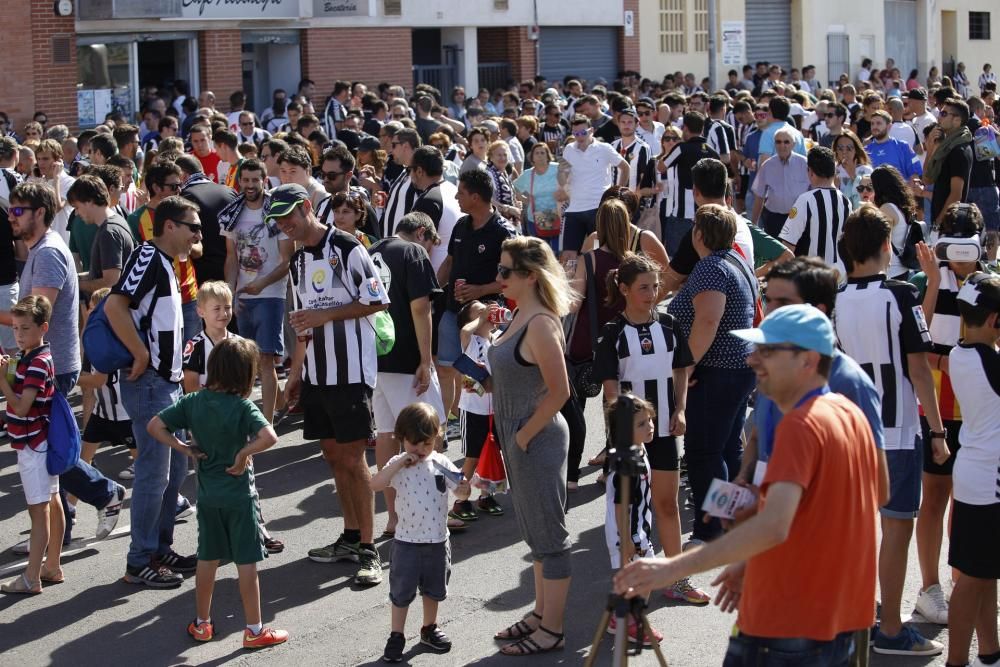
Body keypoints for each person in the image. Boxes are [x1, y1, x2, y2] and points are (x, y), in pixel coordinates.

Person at [614, 305, 880, 667]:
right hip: (832, 617)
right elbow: (824, 515)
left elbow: (774, 526)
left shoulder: (801, 426)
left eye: (767, 351)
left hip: (790, 620)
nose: (753, 359)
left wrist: (670, 569)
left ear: (808, 361)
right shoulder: (847, 413)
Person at [835, 204, 947, 656]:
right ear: (885, 246)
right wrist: (937, 433)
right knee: (896, 529)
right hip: (897, 431)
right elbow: (919, 369)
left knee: (860, 530)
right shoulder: (898, 295)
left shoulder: (838, 297)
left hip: (853, 430)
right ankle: (892, 629)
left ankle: (859, 616)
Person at [270, 184, 390, 586]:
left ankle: (370, 549)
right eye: (279, 220)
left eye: (290, 215)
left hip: (352, 371)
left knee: (354, 460)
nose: (286, 224)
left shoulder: (348, 246)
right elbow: (304, 320)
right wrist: (296, 372)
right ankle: (351, 536)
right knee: (333, 456)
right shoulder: (299, 260)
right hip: (318, 374)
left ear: (307, 207)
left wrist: (327, 317)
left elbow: (377, 300)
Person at [3, 183, 125, 548]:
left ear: (40, 212)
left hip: (52, 366)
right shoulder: (40, 250)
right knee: (48, 450)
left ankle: (104, 494)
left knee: (48, 451)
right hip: (47, 362)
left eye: (18, 210)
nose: (11, 217)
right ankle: (58, 533)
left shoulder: (49, 254)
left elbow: (36, 314)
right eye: (11, 210)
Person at [147, 336, 288, 649]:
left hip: (208, 498)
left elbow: (155, 426)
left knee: (207, 560)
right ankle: (254, 630)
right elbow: (270, 437)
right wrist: (243, 454)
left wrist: (183, 447)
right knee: (246, 565)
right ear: (244, 375)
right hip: (240, 498)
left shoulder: (193, 402)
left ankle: (202, 623)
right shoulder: (242, 406)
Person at [594, 253, 711, 607]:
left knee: (667, 505)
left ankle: (677, 578)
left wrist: (680, 409)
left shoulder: (671, 324)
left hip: (663, 434)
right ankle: (630, 590)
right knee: (629, 515)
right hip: (631, 441)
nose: (652, 292)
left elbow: (681, 370)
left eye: (656, 286)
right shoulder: (613, 332)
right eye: (644, 287)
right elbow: (611, 390)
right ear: (625, 289)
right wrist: (625, 433)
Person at [106, 195, 203, 589]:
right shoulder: (148, 257)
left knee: (175, 467)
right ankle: (140, 559)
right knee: (153, 472)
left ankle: (160, 548)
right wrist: (140, 352)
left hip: (168, 382)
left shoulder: (168, 261)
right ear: (169, 226)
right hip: (150, 383)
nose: (199, 233)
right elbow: (115, 306)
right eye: (192, 226)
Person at [489, 236, 572, 656]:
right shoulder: (521, 314)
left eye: (506, 271)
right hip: (518, 434)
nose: (498, 277)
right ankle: (541, 614)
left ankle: (552, 629)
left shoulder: (540, 322)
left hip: (535, 437)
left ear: (530, 276)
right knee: (534, 533)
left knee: (550, 537)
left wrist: (522, 435)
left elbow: (560, 391)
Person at [907, 202, 984, 627]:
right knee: (934, 499)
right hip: (935, 408)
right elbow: (918, 337)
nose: (959, 255)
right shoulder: (925, 279)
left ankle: (963, 582)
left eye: (966, 246)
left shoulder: (990, 283)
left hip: (977, 408)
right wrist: (935, 281)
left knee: (967, 499)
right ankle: (929, 587)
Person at [667, 204, 756, 545]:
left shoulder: (711, 268)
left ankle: (710, 529)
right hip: (736, 370)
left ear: (699, 235)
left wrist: (687, 365)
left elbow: (708, 320)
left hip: (718, 371)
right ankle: (736, 518)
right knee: (727, 449)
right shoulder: (736, 262)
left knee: (705, 452)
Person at [370, 402, 470, 662]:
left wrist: (465, 486)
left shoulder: (441, 463)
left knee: (434, 589)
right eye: (415, 444)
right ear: (402, 439)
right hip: (406, 543)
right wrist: (401, 461)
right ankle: (396, 634)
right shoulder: (397, 464)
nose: (422, 450)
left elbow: (460, 492)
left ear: (436, 437)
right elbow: (376, 484)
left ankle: (429, 627)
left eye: (427, 443)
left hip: (437, 540)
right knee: (402, 592)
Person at [367, 212, 447, 535]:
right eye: (430, 244)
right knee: (431, 429)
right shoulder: (412, 251)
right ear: (421, 233)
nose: (429, 251)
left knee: (386, 434)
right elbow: (420, 307)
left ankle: (394, 517)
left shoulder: (370, 250)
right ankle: (434, 511)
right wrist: (426, 360)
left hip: (375, 359)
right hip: (406, 360)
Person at [944, 272, 1000, 667]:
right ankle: (956, 661)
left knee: (983, 573)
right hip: (989, 482)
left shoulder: (960, 353)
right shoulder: (991, 362)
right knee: (974, 579)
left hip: (973, 475)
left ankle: (990, 650)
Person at [436, 170, 516, 439]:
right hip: (451, 310)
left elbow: (513, 278)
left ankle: (487, 427)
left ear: (476, 197)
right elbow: (448, 263)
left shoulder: (503, 232)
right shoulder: (460, 225)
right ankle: (447, 425)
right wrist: (432, 290)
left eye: (460, 192)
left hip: (487, 317)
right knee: (447, 369)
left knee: (480, 373)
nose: (456, 197)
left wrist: (480, 290)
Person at [0, 295, 64, 594]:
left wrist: (1, 380)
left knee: (38, 512)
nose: (19, 334)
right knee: (52, 502)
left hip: (33, 444)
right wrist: (9, 370)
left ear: (43, 327)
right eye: (15, 328)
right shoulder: (32, 356)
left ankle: (31, 577)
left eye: (25, 328)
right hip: (40, 442)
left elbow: (22, 407)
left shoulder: (37, 361)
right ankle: (51, 566)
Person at [219, 158, 291, 422]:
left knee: (266, 360)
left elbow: (287, 260)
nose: (250, 185)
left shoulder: (277, 211)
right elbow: (231, 258)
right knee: (250, 363)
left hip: (270, 294)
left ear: (264, 180)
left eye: (254, 180)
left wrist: (262, 283)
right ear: (239, 182)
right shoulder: (232, 213)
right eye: (245, 180)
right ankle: (281, 403)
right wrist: (230, 291)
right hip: (243, 295)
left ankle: (266, 424)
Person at [600, 395, 664, 644]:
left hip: (639, 527)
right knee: (645, 575)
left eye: (650, 420)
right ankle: (632, 623)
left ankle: (622, 618)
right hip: (628, 532)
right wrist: (626, 539)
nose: (649, 426)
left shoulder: (638, 450)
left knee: (640, 576)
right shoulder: (626, 462)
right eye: (641, 424)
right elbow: (621, 505)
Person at [557, 115, 629, 260]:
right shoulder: (569, 149)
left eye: (582, 132)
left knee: (599, 251)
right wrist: (562, 180)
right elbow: (562, 177)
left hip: (598, 209)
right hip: (575, 209)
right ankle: (569, 282)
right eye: (575, 133)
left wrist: (617, 193)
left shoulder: (604, 148)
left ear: (591, 130)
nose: (579, 136)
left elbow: (625, 168)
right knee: (568, 254)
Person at [780, 147, 853, 276]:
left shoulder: (806, 200)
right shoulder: (846, 201)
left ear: (811, 172)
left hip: (813, 277)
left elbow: (787, 245)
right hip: (840, 276)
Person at [658, 111, 720, 256]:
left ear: (685, 128)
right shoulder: (712, 152)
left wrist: (668, 150)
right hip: (706, 214)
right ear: (702, 128)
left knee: (675, 256)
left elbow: (661, 167)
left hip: (682, 215)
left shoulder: (681, 148)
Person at [66, 175, 135, 297]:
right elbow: (98, 274)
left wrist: (73, 284)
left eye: (77, 207)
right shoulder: (115, 222)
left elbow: (110, 282)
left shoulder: (109, 232)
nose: (76, 213)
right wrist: (73, 277)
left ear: (90, 202)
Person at [177, 153, 238, 286]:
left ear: (183, 175)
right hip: (235, 274)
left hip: (203, 277)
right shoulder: (230, 191)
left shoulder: (184, 197)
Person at [917, 98, 974, 228]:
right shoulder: (945, 148)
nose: (939, 117)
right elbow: (926, 180)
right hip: (942, 220)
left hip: (950, 224)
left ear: (957, 120)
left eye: (943, 114)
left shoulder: (958, 150)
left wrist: (939, 223)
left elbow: (956, 194)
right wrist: (930, 149)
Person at [751, 128, 809, 237]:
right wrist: (754, 224)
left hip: (799, 218)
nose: (782, 145)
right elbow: (759, 196)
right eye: (778, 142)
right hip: (774, 218)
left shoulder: (805, 164)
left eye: (786, 142)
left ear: (793, 144)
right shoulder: (767, 165)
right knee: (775, 252)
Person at [871, 165, 921, 280]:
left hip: (891, 271)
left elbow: (879, 240)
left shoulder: (887, 208)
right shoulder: (902, 206)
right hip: (902, 268)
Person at [512, 143, 560, 253]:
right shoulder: (528, 174)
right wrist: (524, 199)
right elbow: (514, 187)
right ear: (532, 157)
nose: (539, 155)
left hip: (557, 215)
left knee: (557, 251)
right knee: (541, 252)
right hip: (535, 218)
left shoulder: (557, 168)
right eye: (536, 153)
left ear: (548, 155)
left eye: (542, 152)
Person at [865, 110, 922, 181]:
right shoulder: (865, 151)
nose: (874, 127)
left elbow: (915, 174)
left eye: (878, 123)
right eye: (872, 124)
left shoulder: (903, 147)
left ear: (889, 126)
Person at [832, 131, 873, 209]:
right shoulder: (832, 169)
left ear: (856, 150)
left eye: (849, 148)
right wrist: (834, 187)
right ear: (836, 150)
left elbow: (869, 197)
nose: (844, 152)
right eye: (840, 148)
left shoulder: (866, 170)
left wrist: (853, 176)